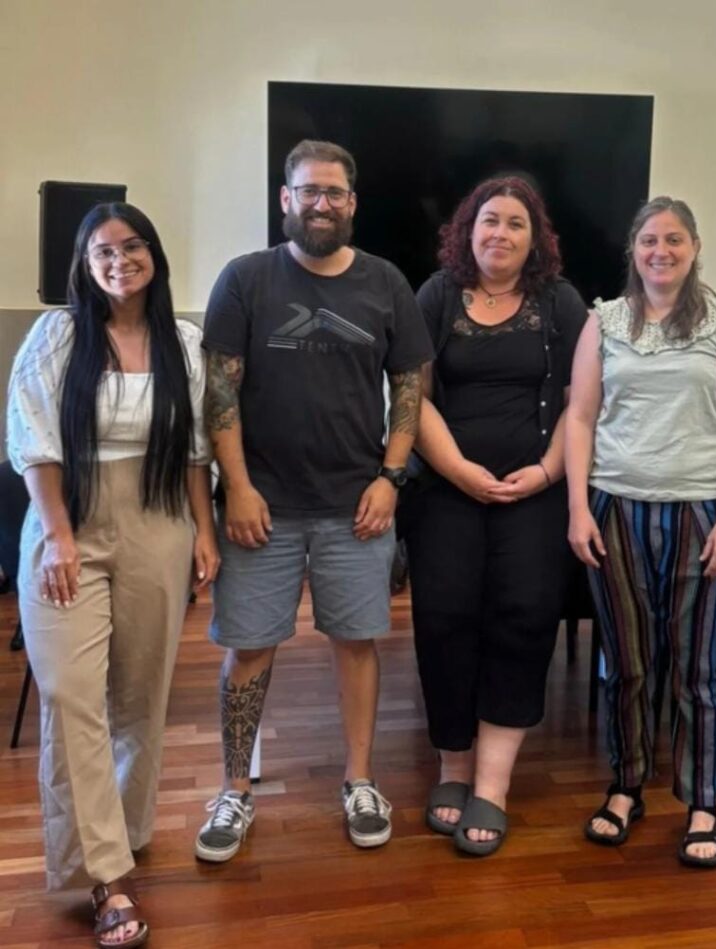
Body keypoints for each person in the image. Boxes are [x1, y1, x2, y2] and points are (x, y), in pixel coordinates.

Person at [194, 139, 432, 862]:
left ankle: (359, 779)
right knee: (249, 648)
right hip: (259, 507)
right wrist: (236, 486)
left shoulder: (387, 283)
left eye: (334, 191)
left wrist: (390, 479)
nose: (321, 203)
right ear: (285, 199)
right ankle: (235, 786)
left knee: (356, 644)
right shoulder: (245, 280)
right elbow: (219, 391)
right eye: (308, 191)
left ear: (352, 202)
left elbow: (410, 389)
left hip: (355, 506)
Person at [7, 202, 217, 948]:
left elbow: (196, 449)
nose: (118, 259)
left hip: (159, 520)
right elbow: (33, 441)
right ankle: (104, 874)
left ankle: (120, 829)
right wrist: (58, 535)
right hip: (70, 521)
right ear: (84, 263)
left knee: (140, 692)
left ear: (153, 254)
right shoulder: (58, 335)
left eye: (131, 246)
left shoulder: (181, 342)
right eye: (102, 250)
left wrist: (204, 532)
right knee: (69, 692)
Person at [565, 196, 716, 868]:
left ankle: (702, 799)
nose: (661, 251)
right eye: (649, 240)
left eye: (674, 239)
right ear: (633, 249)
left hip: (701, 514)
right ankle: (626, 786)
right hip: (616, 508)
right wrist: (576, 507)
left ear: (694, 246)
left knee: (699, 670)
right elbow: (581, 419)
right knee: (625, 665)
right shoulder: (605, 320)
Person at [404, 176, 587, 856]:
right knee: (445, 617)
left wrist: (543, 472)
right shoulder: (436, 295)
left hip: (535, 494)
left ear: (533, 237)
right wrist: (457, 470)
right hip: (448, 489)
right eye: (488, 221)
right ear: (467, 230)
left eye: (515, 223)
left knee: (522, 616)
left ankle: (493, 782)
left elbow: (581, 404)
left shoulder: (560, 303)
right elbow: (413, 396)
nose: (500, 234)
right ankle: (452, 766)